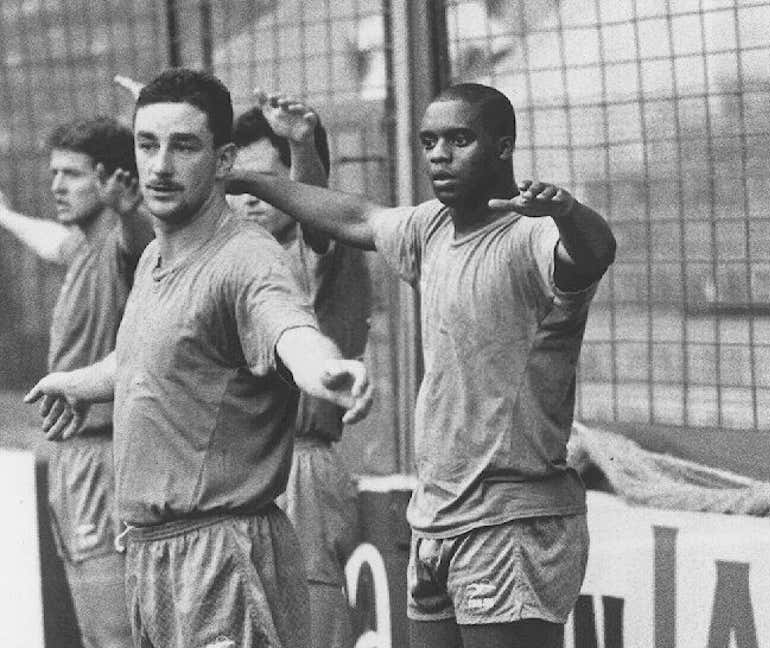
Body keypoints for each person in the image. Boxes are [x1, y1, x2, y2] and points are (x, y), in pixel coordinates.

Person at [228, 82, 617, 648]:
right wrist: (242, 178)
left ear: (503, 147)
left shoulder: (531, 236)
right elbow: (351, 216)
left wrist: (568, 211)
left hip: (510, 517)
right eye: (429, 140)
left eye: (460, 139)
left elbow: (594, 252)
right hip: (435, 517)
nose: (439, 154)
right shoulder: (430, 226)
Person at [24, 68, 374, 648]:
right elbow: (147, 356)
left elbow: (287, 325)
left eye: (184, 146)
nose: (160, 166)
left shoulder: (246, 257)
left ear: (223, 160)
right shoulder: (156, 259)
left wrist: (324, 368)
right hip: (154, 551)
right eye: (147, 144)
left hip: (223, 552)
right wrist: (78, 381)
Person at [0, 116, 150, 648]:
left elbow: (139, 241)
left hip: (105, 458)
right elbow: (51, 241)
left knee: (117, 635)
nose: (56, 186)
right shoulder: (82, 247)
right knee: (95, 632)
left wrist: (130, 211)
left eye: (72, 174)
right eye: (54, 173)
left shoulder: (121, 245)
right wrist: (6, 215)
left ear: (112, 181)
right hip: (74, 459)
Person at [230, 94, 371, 648]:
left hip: (302, 468)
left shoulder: (317, 247)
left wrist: (301, 144)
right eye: (241, 182)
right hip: (247, 469)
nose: (250, 196)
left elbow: (315, 209)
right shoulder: (243, 259)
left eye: (267, 180)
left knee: (309, 631)